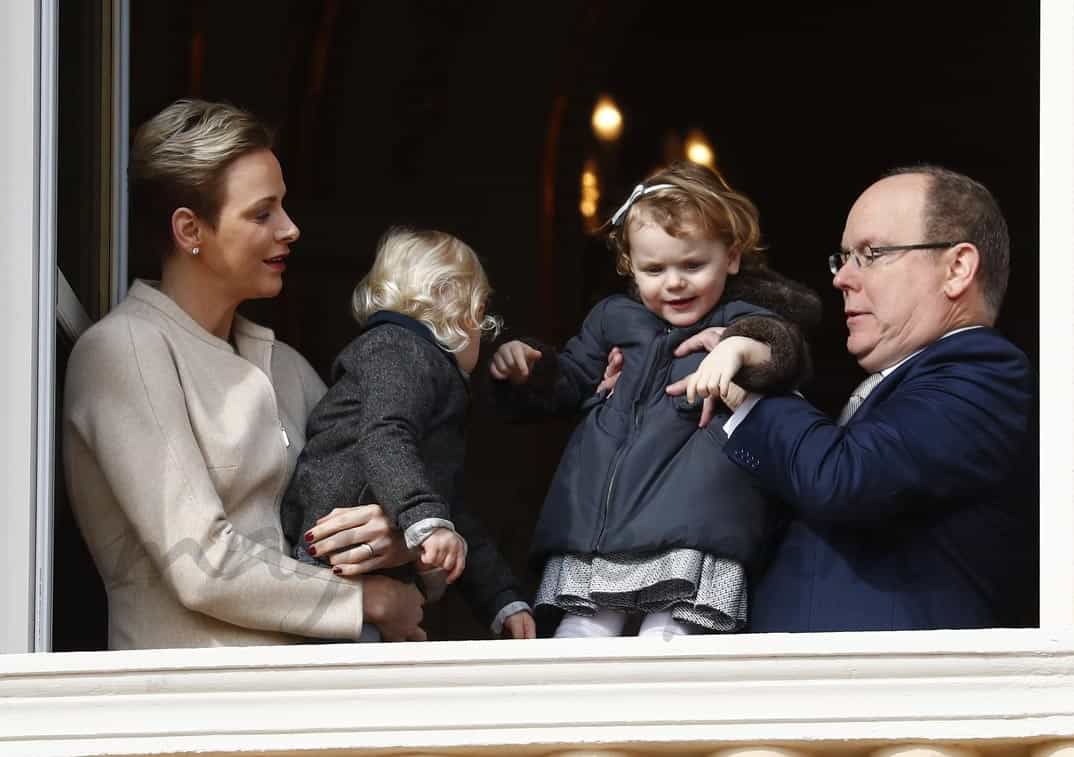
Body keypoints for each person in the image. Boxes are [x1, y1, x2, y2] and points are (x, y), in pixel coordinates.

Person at [63, 99, 425, 649]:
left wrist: (394, 537)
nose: (291, 228)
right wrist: (361, 599)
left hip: (308, 705)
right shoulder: (122, 351)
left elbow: (389, 522)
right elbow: (201, 563)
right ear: (190, 229)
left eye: (284, 207)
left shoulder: (287, 367)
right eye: (262, 214)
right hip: (187, 710)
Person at [668, 165, 1036, 631]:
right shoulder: (881, 389)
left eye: (871, 253)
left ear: (957, 268)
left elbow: (845, 478)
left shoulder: (985, 370)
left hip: (895, 694)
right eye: (842, 257)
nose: (842, 277)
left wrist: (751, 388)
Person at [489, 161, 821, 638]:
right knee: (578, 640)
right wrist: (529, 368)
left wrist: (735, 347)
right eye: (653, 268)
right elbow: (572, 380)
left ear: (731, 257)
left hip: (691, 523)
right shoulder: (612, 319)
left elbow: (783, 350)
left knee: (669, 644)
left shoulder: (740, 317)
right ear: (629, 266)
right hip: (599, 528)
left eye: (693, 265)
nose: (674, 282)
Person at [280, 227, 536, 640]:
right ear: (456, 310)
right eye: (480, 320)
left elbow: (450, 508)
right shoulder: (398, 350)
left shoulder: (421, 369)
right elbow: (385, 434)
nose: (482, 339)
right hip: (333, 554)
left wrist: (501, 598)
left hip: (364, 567)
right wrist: (426, 521)